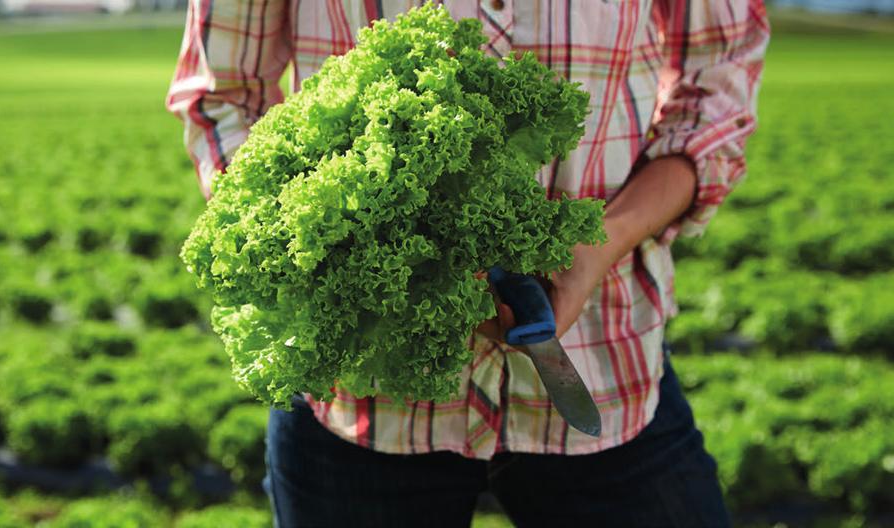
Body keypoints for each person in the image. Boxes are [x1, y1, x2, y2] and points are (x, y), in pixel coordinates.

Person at [167, 1, 769, 526]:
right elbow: (224, 99)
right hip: (364, 389)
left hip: (606, 360)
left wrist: (599, 242)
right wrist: (370, 259)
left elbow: (714, 90)